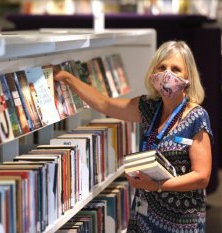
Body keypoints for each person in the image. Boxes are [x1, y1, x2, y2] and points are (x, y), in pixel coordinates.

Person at [54, 40, 213, 233]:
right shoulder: (148, 107)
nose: (167, 74)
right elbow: (104, 104)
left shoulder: (197, 116)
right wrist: (68, 79)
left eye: (176, 69)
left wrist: (157, 186)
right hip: (143, 216)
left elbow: (201, 176)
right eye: (162, 67)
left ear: (188, 76)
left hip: (181, 222)